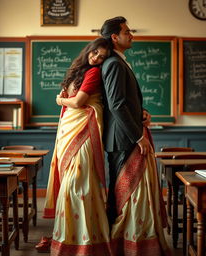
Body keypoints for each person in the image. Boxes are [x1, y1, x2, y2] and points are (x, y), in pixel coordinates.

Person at [100, 16, 171, 255]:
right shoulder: (113, 64)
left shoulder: (120, 62)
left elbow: (126, 102)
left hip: (126, 135)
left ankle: (135, 242)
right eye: (127, 32)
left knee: (133, 196)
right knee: (124, 197)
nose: (132, 35)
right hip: (123, 139)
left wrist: (142, 111)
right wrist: (138, 136)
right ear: (114, 37)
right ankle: (124, 246)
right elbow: (116, 105)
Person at [38, 37, 112, 256]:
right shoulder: (79, 71)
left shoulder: (94, 73)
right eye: (95, 53)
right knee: (73, 185)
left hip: (84, 131)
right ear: (89, 50)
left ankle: (84, 239)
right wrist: (66, 100)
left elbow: (79, 102)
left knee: (78, 184)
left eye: (102, 57)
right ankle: (68, 236)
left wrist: (60, 101)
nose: (97, 58)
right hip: (69, 131)